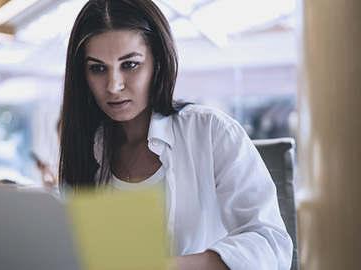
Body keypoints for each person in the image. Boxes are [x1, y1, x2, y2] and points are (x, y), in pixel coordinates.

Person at [58, 0, 293, 269]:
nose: (114, 86)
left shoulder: (212, 131)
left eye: (130, 65)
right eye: (98, 68)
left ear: (157, 63)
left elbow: (269, 243)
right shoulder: (86, 146)